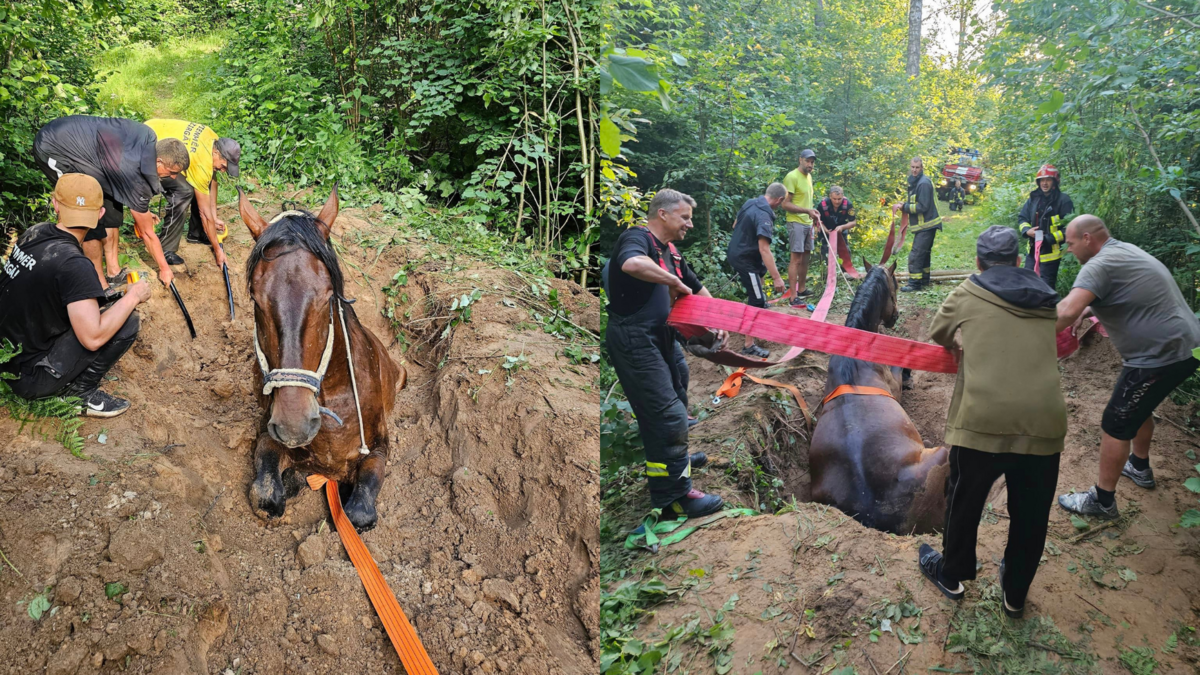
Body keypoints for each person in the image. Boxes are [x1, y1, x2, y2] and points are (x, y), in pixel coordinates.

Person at [917, 225, 1066, 619]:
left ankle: (952, 575)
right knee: (1032, 514)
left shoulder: (968, 291)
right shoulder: (1047, 296)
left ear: (978, 262)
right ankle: (1015, 595)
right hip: (1044, 421)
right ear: (1019, 261)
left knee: (964, 501)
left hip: (983, 419)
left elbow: (939, 333)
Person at [1055, 215, 1200, 519]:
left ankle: (1102, 501)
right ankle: (1139, 466)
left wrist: (1025, 334)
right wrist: (1089, 308)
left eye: (1070, 244)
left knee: (1116, 422)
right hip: (1183, 346)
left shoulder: (1098, 265)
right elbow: (1120, 291)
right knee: (1136, 405)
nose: (1069, 250)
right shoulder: (1122, 251)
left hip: (1160, 355)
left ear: (1086, 239)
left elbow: (1065, 312)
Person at [606, 189, 724, 518]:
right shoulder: (636, 238)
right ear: (663, 215)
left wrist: (717, 321)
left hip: (662, 335)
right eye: (684, 218)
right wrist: (673, 281)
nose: (689, 225)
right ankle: (673, 499)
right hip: (634, 338)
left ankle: (676, 462)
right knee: (667, 416)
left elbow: (697, 288)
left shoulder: (670, 251)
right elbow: (631, 264)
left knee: (678, 393)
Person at [0, 174, 151, 417]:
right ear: (100, 214)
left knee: (105, 308)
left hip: (7, 358)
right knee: (128, 321)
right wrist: (133, 297)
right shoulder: (75, 265)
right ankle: (80, 394)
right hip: (30, 379)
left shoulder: (35, 233)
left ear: (56, 204)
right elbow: (92, 338)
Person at [33, 115, 188, 290]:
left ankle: (113, 271)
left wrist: (141, 209)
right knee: (86, 215)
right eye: (172, 172)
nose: (174, 177)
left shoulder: (147, 141)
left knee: (112, 207)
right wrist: (164, 269)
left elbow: (128, 190)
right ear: (159, 161)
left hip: (97, 159)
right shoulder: (133, 174)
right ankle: (98, 283)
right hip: (56, 147)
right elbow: (147, 233)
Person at [144, 119, 241, 268]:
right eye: (222, 166)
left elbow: (212, 181)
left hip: (155, 129)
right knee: (183, 191)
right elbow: (204, 212)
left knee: (200, 186)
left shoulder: (212, 139)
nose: (223, 170)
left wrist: (214, 218)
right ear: (216, 153)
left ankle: (197, 233)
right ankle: (165, 249)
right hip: (150, 149)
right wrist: (217, 250)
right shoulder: (202, 162)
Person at [725, 182, 787, 358]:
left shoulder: (751, 202)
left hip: (742, 253)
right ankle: (749, 345)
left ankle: (759, 301)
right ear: (779, 199)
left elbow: (734, 224)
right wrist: (777, 278)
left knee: (761, 270)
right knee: (757, 299)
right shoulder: (764, 216)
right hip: (744, 259)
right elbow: (764, 249)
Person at [1018, 164, 1074, 290]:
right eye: (1042, 180)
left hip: (1051, 253)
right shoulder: (1034, 198)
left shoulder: (1063, 201)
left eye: (1048, 180)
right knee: (1027, 283)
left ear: (1054, 181)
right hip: (1032, 251)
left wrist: (1048, 239)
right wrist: (1027, 231)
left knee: (1046, 288)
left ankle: (1046, 309)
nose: (1044, 183)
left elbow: (1069, 229)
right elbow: (1022, 218)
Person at [892, 157, 942, 292]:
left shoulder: (923, 183)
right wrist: (906, 205)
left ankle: (914, 284)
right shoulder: (917, 182)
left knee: (916, 255)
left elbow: (923, 207)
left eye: (917, 167)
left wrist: (905, 207)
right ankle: (924, 280)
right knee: (924, 254)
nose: (914, 170)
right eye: (912, 167)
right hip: (925, 225)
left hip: (927, 225)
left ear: (922, 168)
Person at [781, 149, 823, 306]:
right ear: (800, 160)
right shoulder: (792, 177)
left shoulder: (809, 177)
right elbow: (785, 204)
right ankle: (792, 297)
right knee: (796, 259)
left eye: (812, 162)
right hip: (795, 222)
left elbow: (805, 201)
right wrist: (807, 211)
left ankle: (802, 289)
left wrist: (812, 215)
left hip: (807, 223)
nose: (810, 164)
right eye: (807, 161)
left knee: (806, 258)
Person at [814, 185, 858, 267]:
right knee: (825, 251)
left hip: (841, 231)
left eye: (839, 199)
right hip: (826, 231)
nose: (837, 202)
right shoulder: (822, 205)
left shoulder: (848, 204)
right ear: (830, 196)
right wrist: (825, 230)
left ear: (843, 196)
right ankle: (826, 272)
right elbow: (818, 221)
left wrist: (842, 227)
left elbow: (853, 222)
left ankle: (846, 271)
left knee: (845, 251)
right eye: (834, 199)